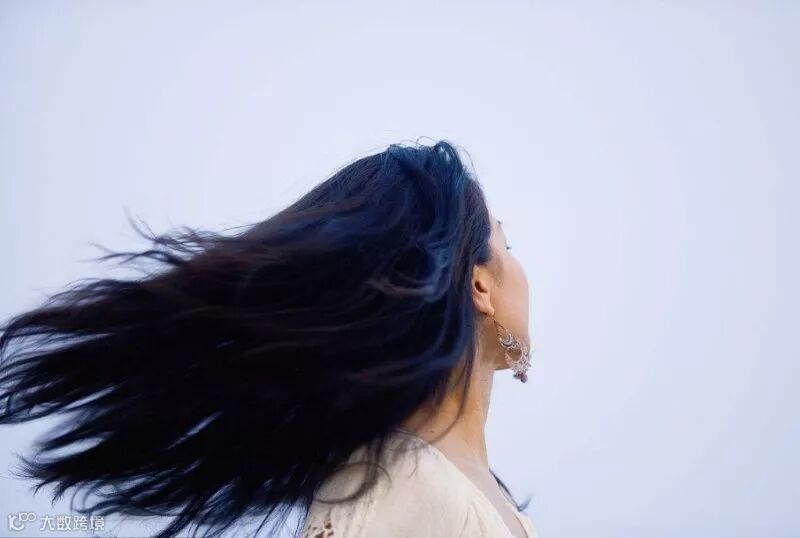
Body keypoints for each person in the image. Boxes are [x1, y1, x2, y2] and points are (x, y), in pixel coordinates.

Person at [0, 139, 538, 537]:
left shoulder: (485, 496)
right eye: (507, 245)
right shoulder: (398, 481)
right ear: (479, 285)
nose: (520, 266)